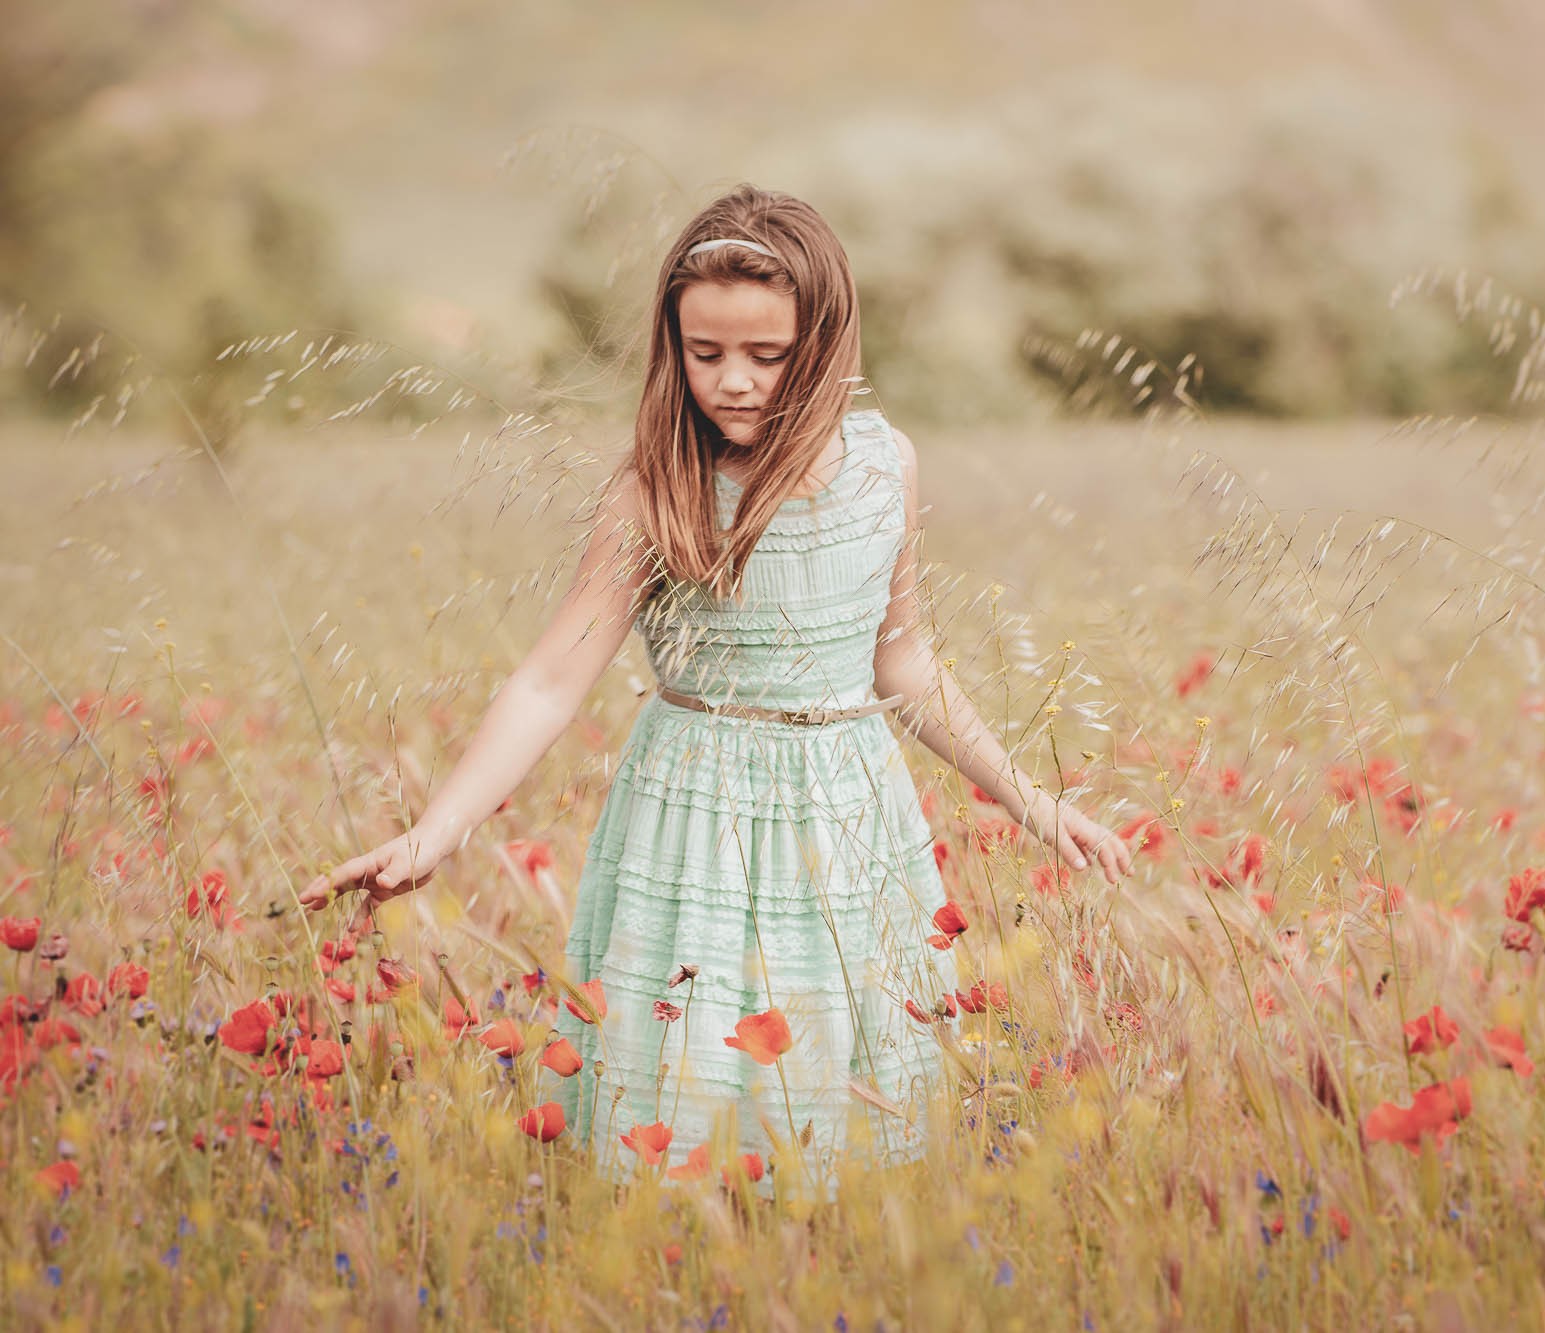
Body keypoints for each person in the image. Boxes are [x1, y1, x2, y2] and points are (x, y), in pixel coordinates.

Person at [297, 183, 1132, 1202]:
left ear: (822, 344)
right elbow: (552, 677)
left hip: (849, 810)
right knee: (688, 1089)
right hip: (696, 815)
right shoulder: (655, 487)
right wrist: (435, 832)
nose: (733, 380)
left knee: (841, 1097)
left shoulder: (886, 465)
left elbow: (902, 659)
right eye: (705, 353)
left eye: (766, 354)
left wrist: (1035, 803)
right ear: (673, 347)